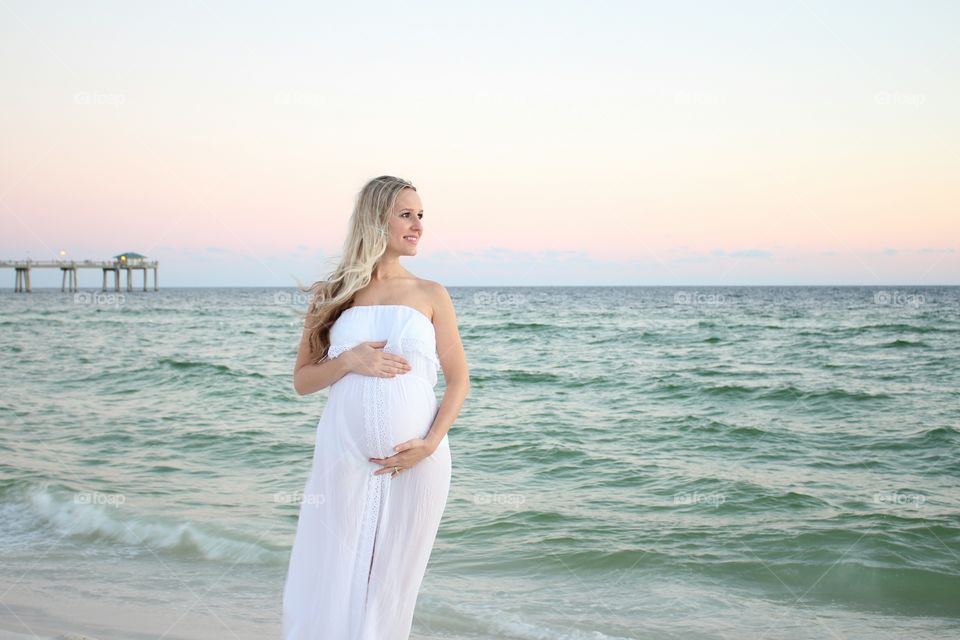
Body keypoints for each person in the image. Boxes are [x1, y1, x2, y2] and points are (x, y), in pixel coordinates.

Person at [282, 175, 470, 639]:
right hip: (344, 458)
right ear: (375, 219)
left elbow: (459, 380)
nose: (418, 225)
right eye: (406, 214)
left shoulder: (431, 294)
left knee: (391, 584)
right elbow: (304, 381)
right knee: (337, 569)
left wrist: (428, 445)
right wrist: (348, 361)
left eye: (421, 215)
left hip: (417, 461)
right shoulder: (335, 293)